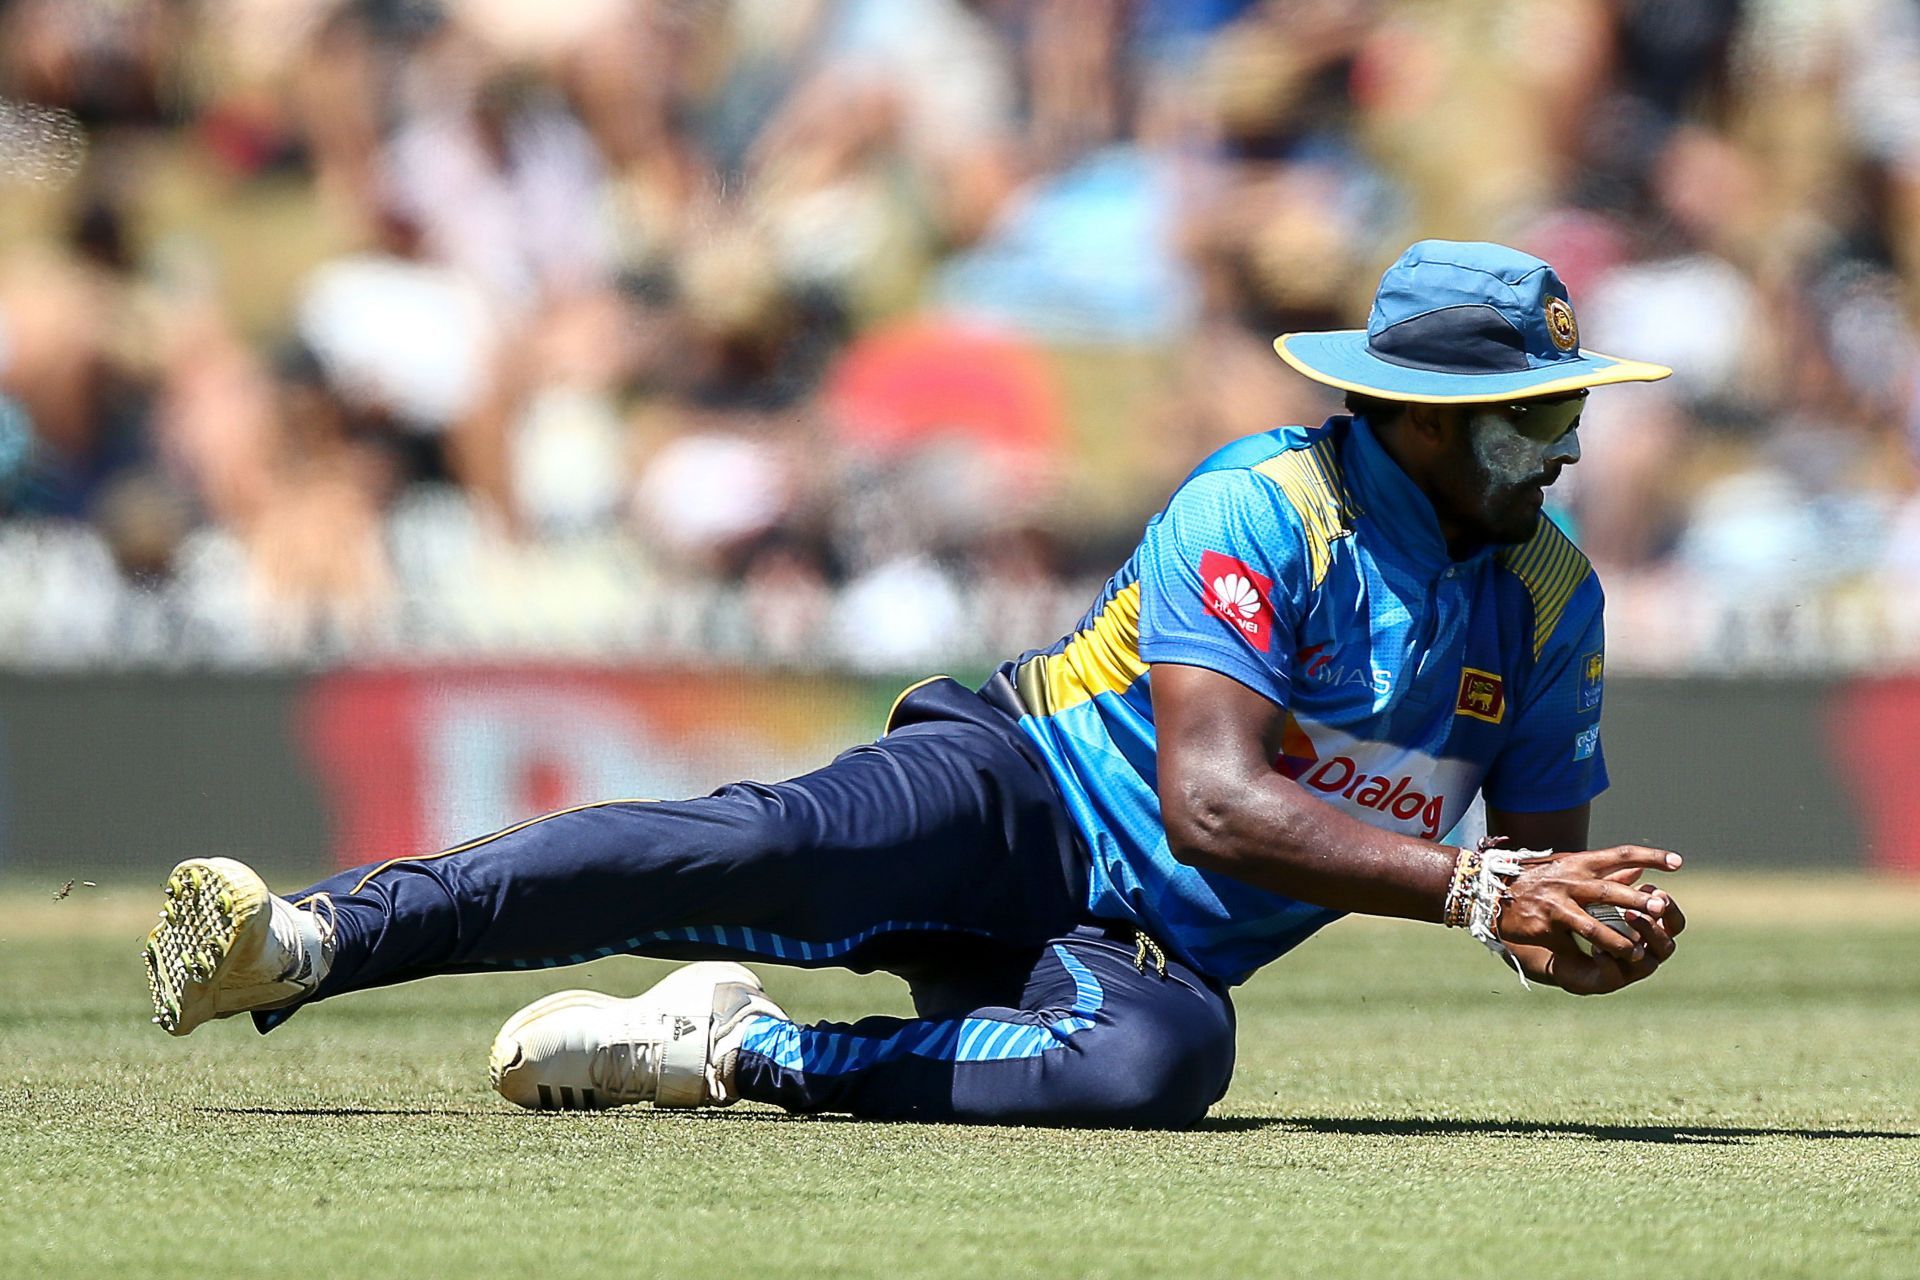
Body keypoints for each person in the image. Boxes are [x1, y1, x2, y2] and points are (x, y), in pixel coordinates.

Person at [143, 240, 1688, 1128]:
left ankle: (722, 1052)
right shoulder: (1267, 504)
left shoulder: (1551, 596)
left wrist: (1582, 924)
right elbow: (1212, 805)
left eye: (1562, 412)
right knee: (742, 848)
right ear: (1411, 416)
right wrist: (1485, 894)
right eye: (1519, 417)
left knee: (1154, 1074)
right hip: (1010, 797)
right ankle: (303, 940)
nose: (1556, 450)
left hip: (1132, 949)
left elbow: (1533, 867)